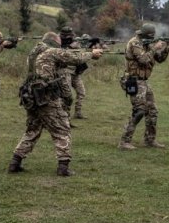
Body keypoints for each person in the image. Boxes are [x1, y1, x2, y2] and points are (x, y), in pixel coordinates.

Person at [7, 32, 103, 176]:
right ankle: (63, 167)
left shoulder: (34, 53)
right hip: (46, 98)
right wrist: (91, 53)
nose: (60, 43)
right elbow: (74, 58)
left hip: (32, 97)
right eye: (58, 41)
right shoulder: (51, 52)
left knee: (33, 130)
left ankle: (15, 163)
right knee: (62, 130)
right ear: (53, 41)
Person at [119, 23, 169, 150]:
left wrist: (167, 48)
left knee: (152, 110)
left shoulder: (147, 43)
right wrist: (155, 47)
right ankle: (124, 141)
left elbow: (159, 59)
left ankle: (150, 140)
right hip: (133, 80)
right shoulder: (135, 43)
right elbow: (143, 59)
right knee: (139, 111)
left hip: (144, 81)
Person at [71, 34, 101, 119]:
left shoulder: (85, 48)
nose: (87, 43)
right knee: (66, 95)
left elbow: (94, 57)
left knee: (81, 92)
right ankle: (63, 115)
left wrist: (96, 51)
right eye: (85, 41)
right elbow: (79, 57)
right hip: (68, 73)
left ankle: (78, 113)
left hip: (76, 74)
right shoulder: (75, 46)